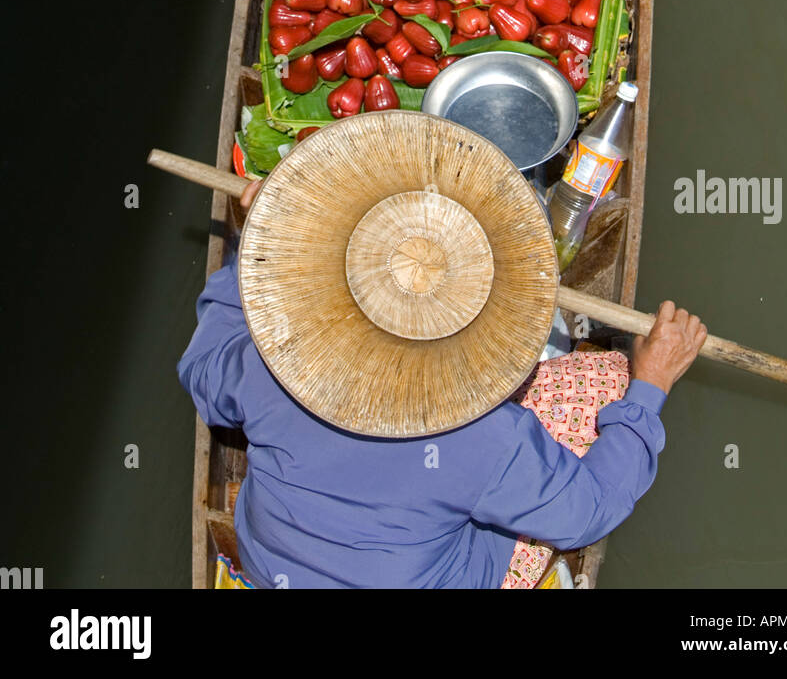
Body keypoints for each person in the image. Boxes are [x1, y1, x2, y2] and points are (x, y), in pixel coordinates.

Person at [179, 176, 707, 590]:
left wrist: (257, 245)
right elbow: (589, 511)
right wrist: (651, 383)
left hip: (271, 568)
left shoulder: (283, 361)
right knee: (609, 377)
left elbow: (201, 368)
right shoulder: (483, 434)